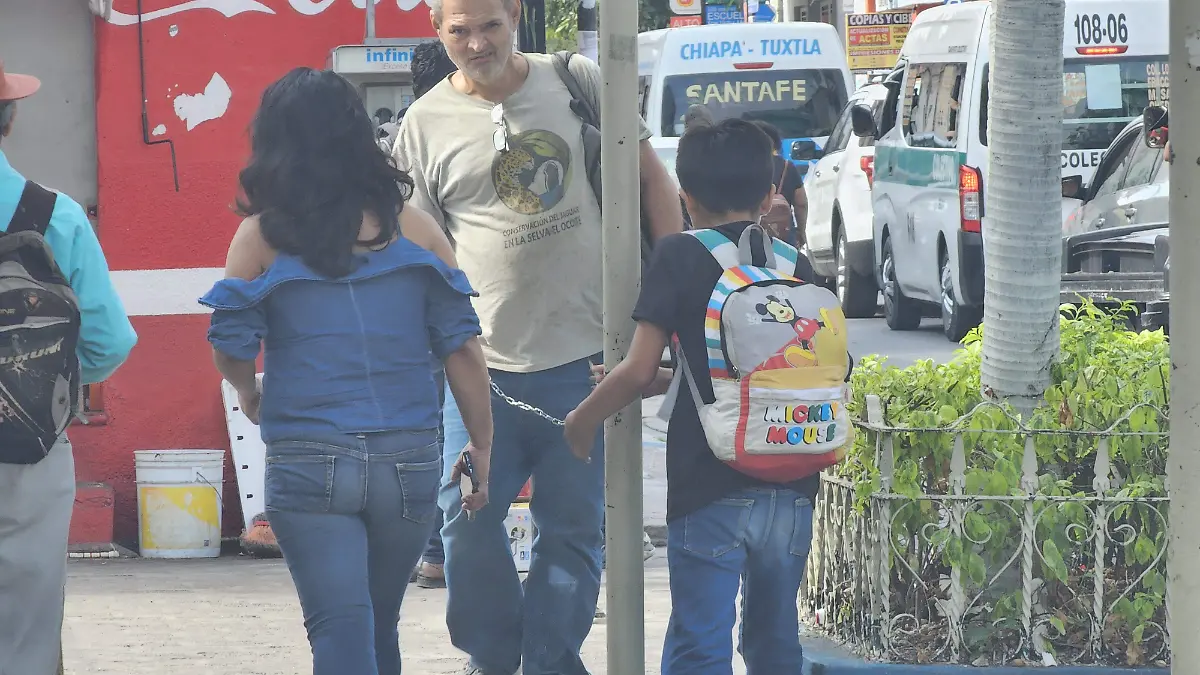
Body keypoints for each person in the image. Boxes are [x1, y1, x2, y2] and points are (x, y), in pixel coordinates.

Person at [393, 0, 684, 669]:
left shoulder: (574, 80)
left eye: (489, 26)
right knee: (464, 519)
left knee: (574, 531)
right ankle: (496, 658)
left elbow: (651, 181)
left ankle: (550, 660)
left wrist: (671, 299)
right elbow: (421, 250)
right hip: (482, 368)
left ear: (515, 16)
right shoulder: (423, 125)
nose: (476, 43)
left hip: (589, 361)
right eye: (459, 31)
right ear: (437, 31)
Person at [199, 67, 493, 675]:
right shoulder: (415, 227)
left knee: (340, 627)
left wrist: (248, 392)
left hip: (308, 454)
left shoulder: (260, 236)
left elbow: (230, 344)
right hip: (408, 457)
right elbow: (463, 347)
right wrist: (482, 445)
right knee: (379, 624)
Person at [563, 118, 835, 675]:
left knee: (701, 642)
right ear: (769, 194)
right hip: (794, 479)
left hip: (708, 483)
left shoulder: (680, 256)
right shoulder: (794, 264)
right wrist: (672, 379)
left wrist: (582, 421)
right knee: (775, 640)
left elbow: (638, 368)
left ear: (685, 196)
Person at [0, 61, 138, 675]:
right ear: (10, 119)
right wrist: (41, 381)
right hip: (29, 446)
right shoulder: (55, 215)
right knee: (27, 627)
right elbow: (107, 342)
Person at [402, 39, 461, 590]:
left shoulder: (397, 139)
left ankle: (431, 553)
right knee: (459, 431)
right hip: (462, 307)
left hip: (411, 310)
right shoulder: (458, 128)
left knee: (429, 433)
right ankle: (440, 551)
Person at [752, 120, 808, 248]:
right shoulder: (787, 166)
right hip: (784, 235)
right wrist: (801, 232)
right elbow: (801, 203)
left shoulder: (741, 167)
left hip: (750, 234)